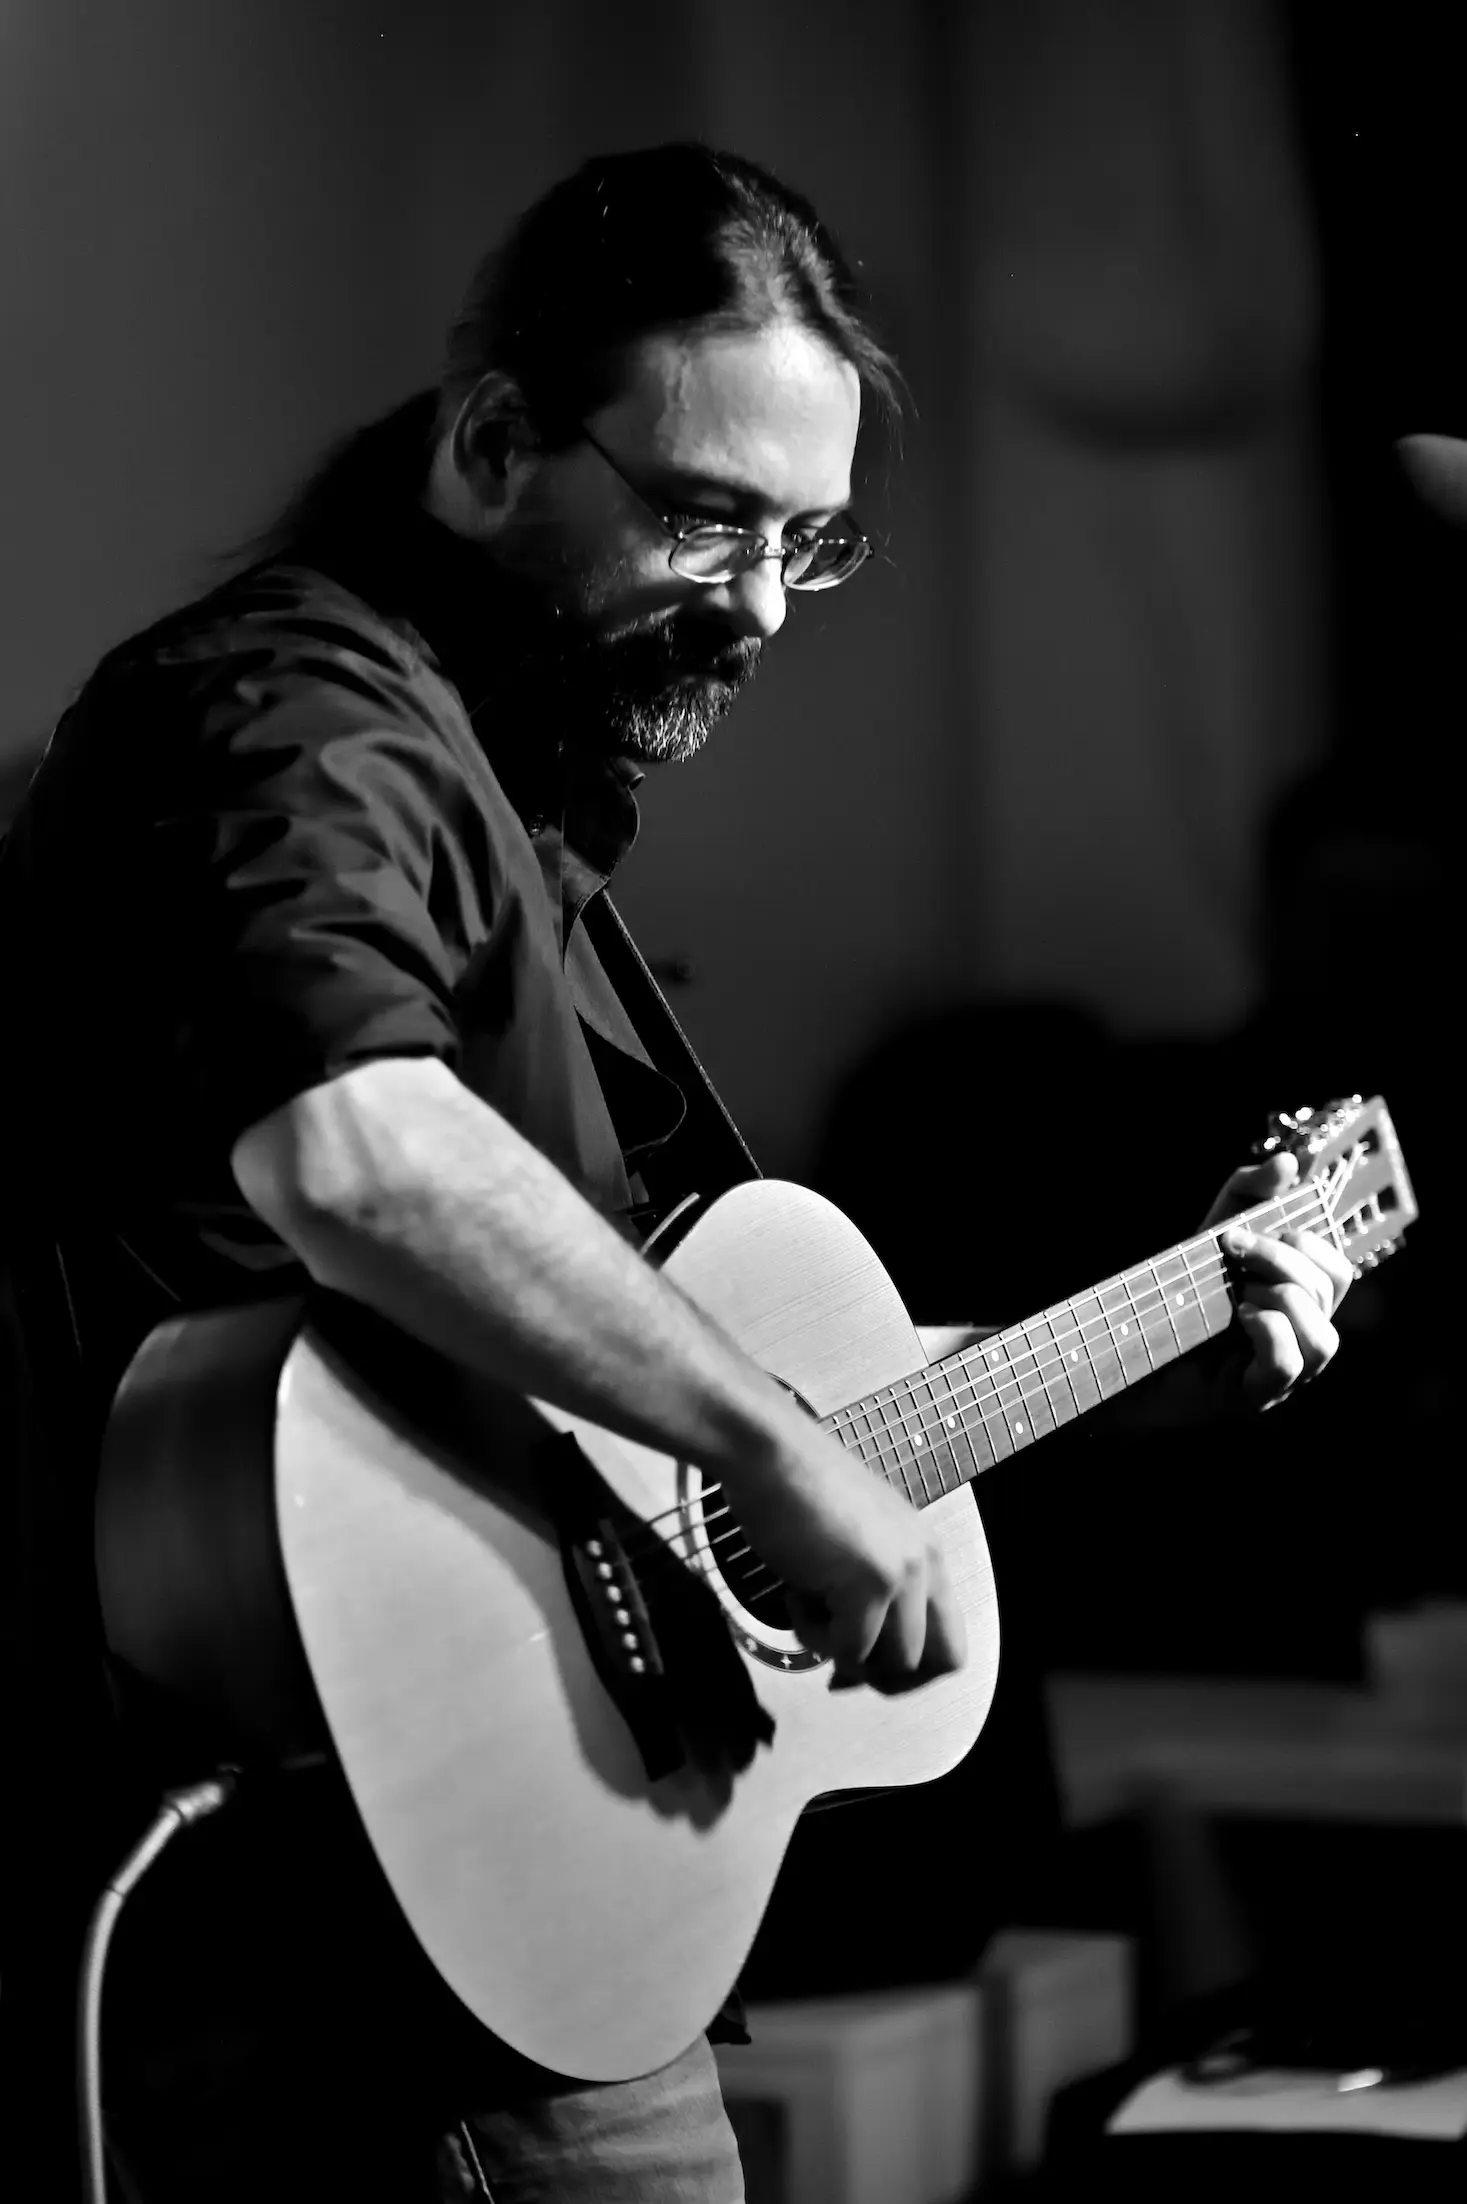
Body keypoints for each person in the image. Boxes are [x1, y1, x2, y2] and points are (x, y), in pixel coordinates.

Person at [0, 143, 1353, 2203]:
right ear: (491, 443)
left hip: (498, 1898)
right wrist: (773, 1448)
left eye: (811, 542)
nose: (760, 601)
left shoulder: (503, 790)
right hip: (350, 1940)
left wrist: (1175, 1322)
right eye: (710, 515)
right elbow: (348, 1146)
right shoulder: (284, 715)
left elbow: (656, 1410)